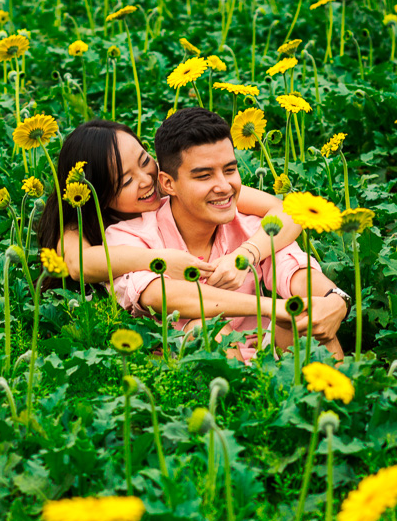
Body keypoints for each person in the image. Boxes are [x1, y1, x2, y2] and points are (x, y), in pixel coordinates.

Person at [104, 107, 347, 361]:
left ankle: (337, 397)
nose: (224, 186)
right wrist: (274, 308)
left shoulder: (249, 227)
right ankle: (244, 397)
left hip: (269, 355)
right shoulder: (129, 237)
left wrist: (332, 299)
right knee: (206, 329)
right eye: (204, 175)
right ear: (168, 183)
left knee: (305, 318)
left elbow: (294, 269)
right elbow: (157, 294)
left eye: (230, 170)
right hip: (190, 368)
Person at [35, 119, 303, 289]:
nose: (147, 179)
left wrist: (247, 253)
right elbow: (81, 264)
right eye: (126, 181)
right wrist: (160, 260)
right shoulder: (78, 224)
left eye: (144, 161)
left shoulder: (179, 186)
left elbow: (287, 210)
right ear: (98, 193)